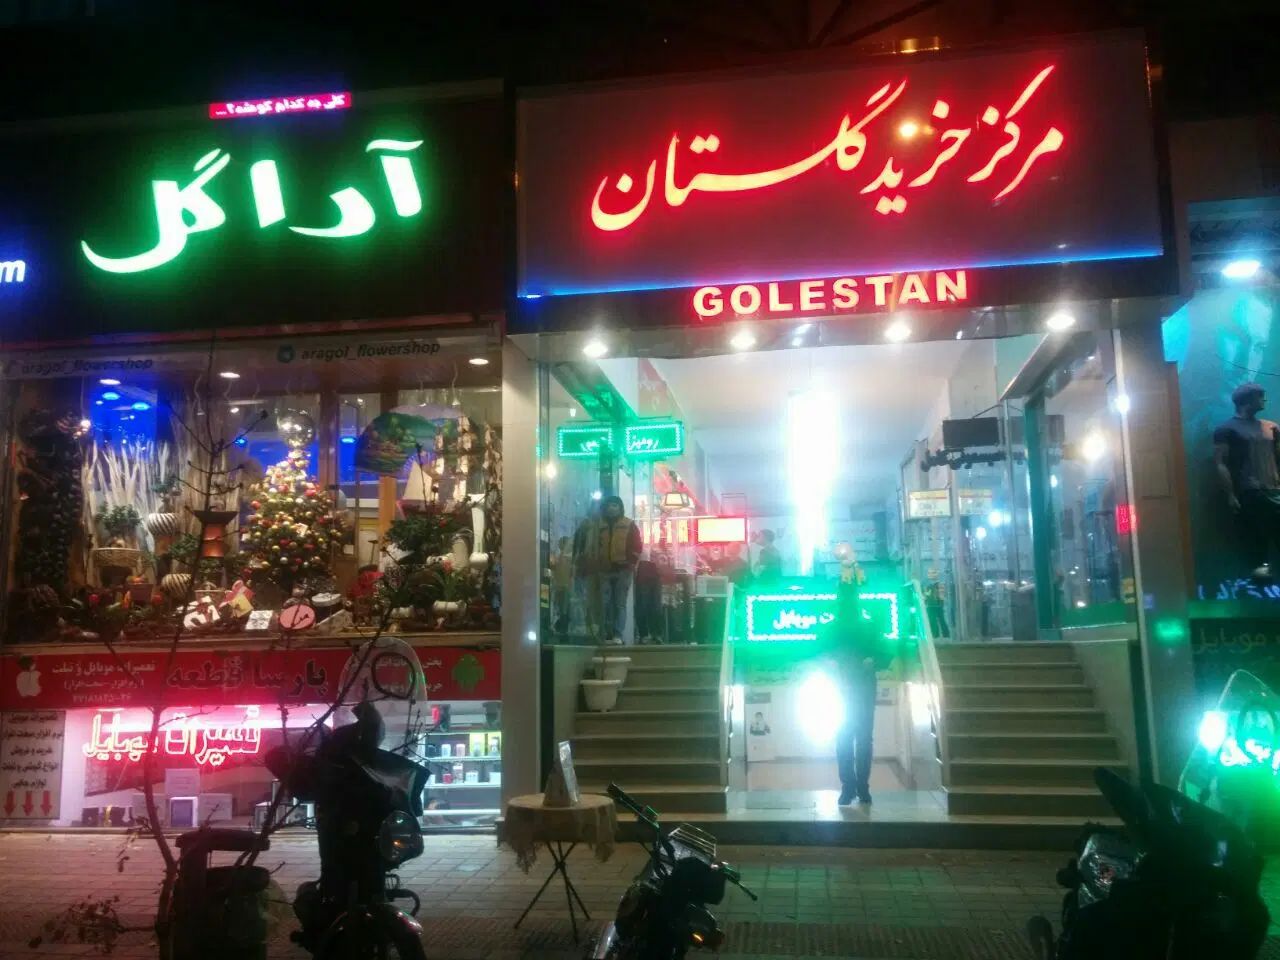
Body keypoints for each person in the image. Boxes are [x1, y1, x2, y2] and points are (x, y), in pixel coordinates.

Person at [827, 581, 892, 806]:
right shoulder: (857, 627)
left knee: (851, 738)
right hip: (849, 688)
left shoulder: (859, 627)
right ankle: (857, 788)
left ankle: (852, 788)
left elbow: (884, 654)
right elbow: (821, 654)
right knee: (857, 737)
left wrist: (873, 660)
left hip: (853, 688)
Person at [1214, 382, 1280, 578]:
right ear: (1248, 400)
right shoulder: (1226, 429)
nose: (1264, 400)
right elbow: (1220, 463)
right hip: (1250, 492)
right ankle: (1261, 578)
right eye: (1260, 396)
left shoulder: (1272, 427)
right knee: (1256, 538)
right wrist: (1230, 495)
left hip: (1275, 490)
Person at [596, 495, 642, 644]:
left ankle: (618, 634)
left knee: (620, 603)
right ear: (605, 507)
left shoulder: (629, 524)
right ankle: (605, 633)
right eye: (609, 505)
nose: (612, 508)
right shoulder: (599, 526)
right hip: (604, 569)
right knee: (604, 603)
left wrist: (631, 563)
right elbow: (595, 546)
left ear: (620, 507)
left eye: (615, 505)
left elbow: (637, 545)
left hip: (623, 570)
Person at [572, 504, 604, 642]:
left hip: (595, 570)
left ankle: (592, 627)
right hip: (586, 569)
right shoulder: (585, 528)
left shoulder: (601, 528)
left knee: (591, 600)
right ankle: (587, 626)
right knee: (584, 599)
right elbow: (577, 549)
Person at [550, 536, 574, 635]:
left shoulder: (567, 558)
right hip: (561, 587)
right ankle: (562, 627)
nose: (560, 546)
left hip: (565, 587)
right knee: (561, 608)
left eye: (561, 544)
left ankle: (563, 628)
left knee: (564, 608)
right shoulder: (561, 557)